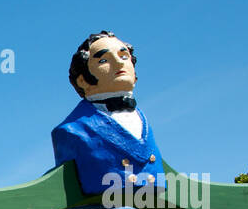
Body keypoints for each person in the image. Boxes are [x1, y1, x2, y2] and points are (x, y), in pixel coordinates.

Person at [52, 31, 165, 197]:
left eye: (124, 56)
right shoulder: (72, 131)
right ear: (82, 80)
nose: (119, 63)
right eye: (104, 60)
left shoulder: (142, 120)